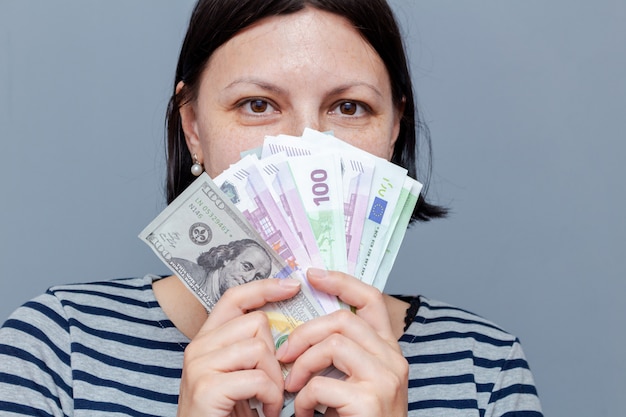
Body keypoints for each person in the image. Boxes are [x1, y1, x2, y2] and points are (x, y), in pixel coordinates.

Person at [0, 1, 543, 416]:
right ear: (193, 128)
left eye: (349, 106)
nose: (306, 144)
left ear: (394, 128)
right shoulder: (57, 350)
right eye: (257, 105)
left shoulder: (483, 368)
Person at [174, 239, 273, 300]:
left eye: (257, 278)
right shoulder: (183, 270)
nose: (249, 279)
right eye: (246, 267)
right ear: (227, 259)